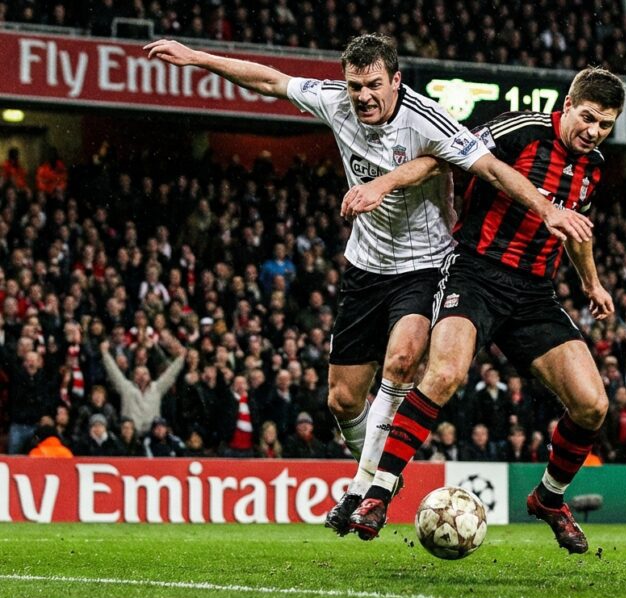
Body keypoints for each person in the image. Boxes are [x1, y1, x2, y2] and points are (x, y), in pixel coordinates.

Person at [144, 35, 592, 536]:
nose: (363, 97)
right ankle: (376, 472)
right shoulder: (335, 101)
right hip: (364, 267)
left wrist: (548, 210)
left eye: (374, 85)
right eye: (355, 85)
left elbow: (490, 168)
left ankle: (365, 489)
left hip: (426, 264)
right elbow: (269, 79)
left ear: (395, 81)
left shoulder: (426, 118)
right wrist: (197, 58)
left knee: (403, 361)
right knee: (342, 400)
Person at [345, 67, 624, 553]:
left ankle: (549, 498)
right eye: (588, 118)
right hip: (474, 271)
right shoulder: (520, 130)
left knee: (593, 404)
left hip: (534, 293)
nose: (593, 131)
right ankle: (378, 492)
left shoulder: (593, 166)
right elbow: (442, 157)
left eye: (605, 125)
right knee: (445, 374)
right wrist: (386, 184)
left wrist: (592, 283)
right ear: (568, 104)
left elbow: (574, 227)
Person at [100, 331, 186, 434]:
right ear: (133, 377)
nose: (141, 377)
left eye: (145, 374)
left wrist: (180, 359)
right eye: (138, 374)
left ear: (150, 376)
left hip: (152, 435)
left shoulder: (157, 388)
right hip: (131, 435)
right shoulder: (126, 387)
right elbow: (113, 371)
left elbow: (170, 374)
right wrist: (105, 353)